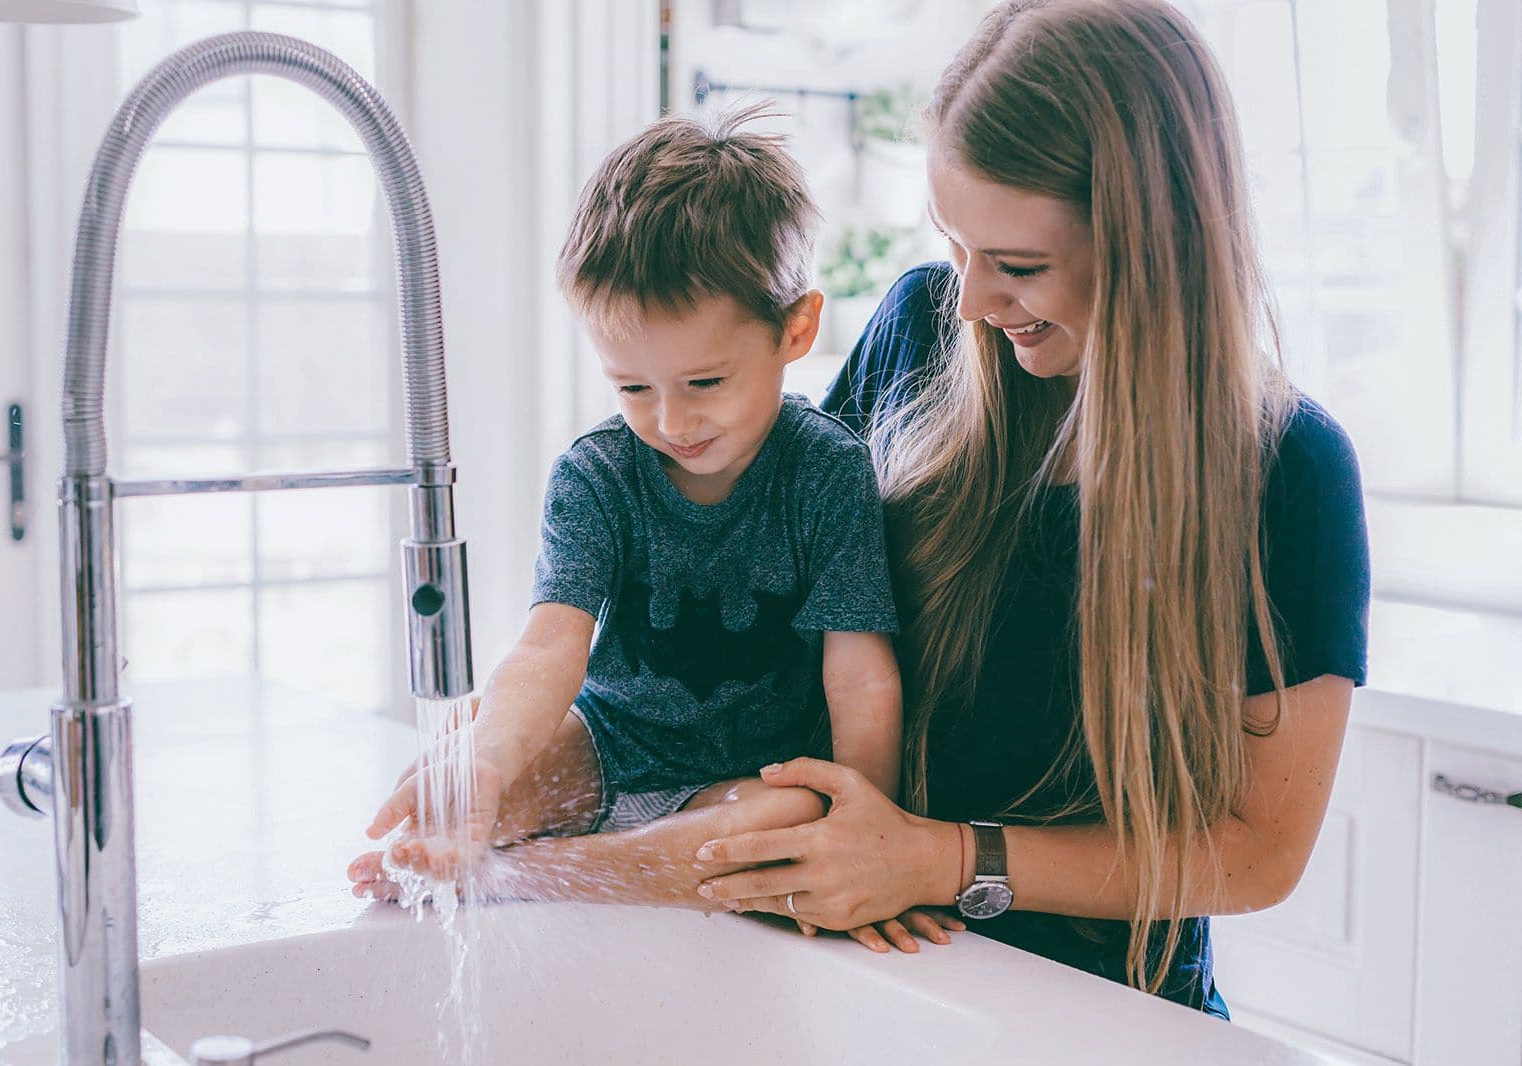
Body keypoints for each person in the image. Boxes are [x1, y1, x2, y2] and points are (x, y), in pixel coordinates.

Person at [689, 0, 1370, 1015]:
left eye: (1017, 267)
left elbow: (1254, 852)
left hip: (1106, 1014)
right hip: (869, 975)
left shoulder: (1287, 472)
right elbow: (766, 617)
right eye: (956, 245)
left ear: (1153, 247)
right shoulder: (916, 329)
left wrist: (938, 858)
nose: (968, 299)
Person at [348, 104, 925, 950]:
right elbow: (550, 648)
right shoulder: (597, 474)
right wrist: (490, 760)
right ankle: (486, 847)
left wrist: (865, 829)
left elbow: (861, 673)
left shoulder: (826, 471)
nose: (671, 420)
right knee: (469, 780)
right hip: (606, 745)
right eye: (633, 388)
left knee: (785, 820)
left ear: (794, 330)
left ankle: (530, 875)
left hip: (743, 779)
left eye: (704, 381)